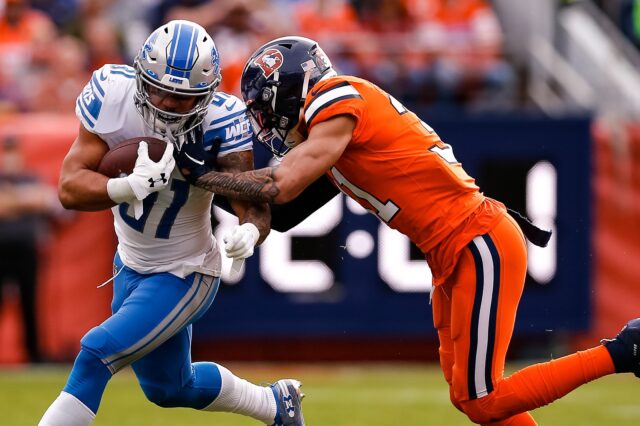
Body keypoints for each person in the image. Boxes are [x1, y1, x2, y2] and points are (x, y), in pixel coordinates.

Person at [177, 36, 640, 425]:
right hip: (454, 253)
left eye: (265, 107)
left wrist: (195, 174)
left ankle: (623, 351)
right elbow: (282, 215)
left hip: (478, 240)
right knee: (469, 395)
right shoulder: (334, 132)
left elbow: (280, 184)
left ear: (293, 88)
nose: (264, 121)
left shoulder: (336, 101)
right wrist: (190, 187)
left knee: (483, 398)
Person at [38, 21, 304, 426]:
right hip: (129, 265)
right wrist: (126, 186)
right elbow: (70, 187)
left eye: (181, 98)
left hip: (186, 270)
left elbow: (251, 201)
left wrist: (249, 232)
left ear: (206, 93)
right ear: (140, 74)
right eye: (157, 88)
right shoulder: (112, 91)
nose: (164, 102)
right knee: (169, 388)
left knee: (96, 352)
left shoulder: (221, 118)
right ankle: (276, 405)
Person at [0, 136, 60, 363]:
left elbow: (46, 201)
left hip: (26, 250)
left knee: (30, 303)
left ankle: (33, 355)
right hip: (1, 249)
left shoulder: (31, 178)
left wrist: (12, 199)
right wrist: (24, 201)